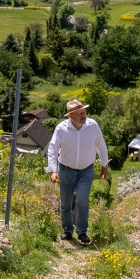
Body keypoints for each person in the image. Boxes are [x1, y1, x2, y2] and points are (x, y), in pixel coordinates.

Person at [46, 99, 109, 245]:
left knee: (82, 200)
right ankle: (67, 230)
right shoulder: (61, 129)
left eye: (84, 112)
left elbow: (101, 146)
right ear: (71, 116)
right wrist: (53, 170)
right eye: (80, 113)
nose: (83, 116)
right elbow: (53, 149)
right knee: (66, 203)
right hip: (65, 169)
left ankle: (82, 231)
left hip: (86, 170)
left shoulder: (93, 126)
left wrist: (104, 165)